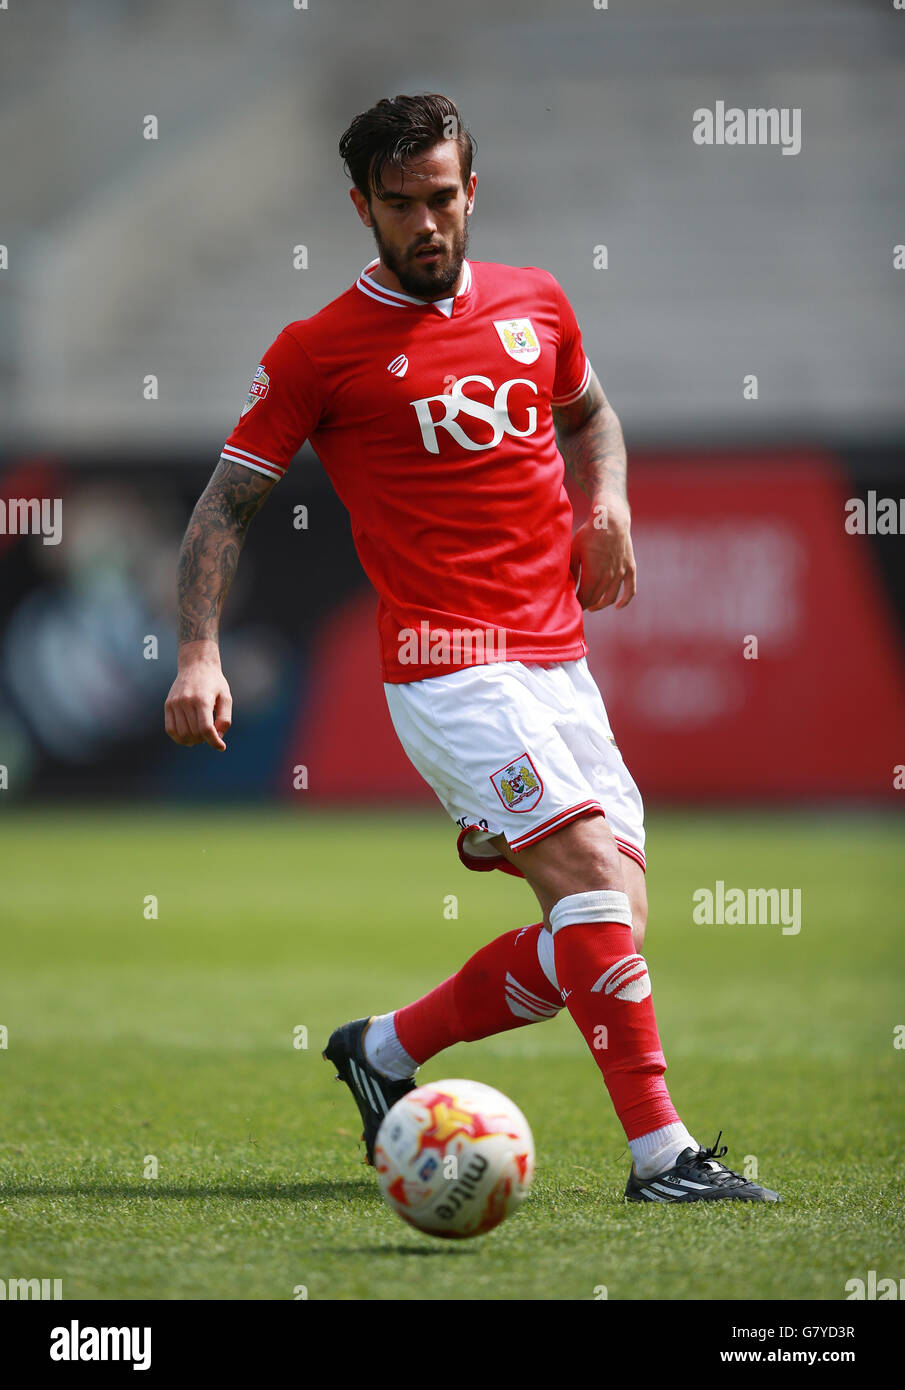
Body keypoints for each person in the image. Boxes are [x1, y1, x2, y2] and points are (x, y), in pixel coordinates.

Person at [165, 93, 779, 1204]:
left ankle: (384, 1049)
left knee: (607, 931)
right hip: (449, 670)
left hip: (557, 660)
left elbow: (587, 414)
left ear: (470, 191)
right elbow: (224, 504)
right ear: (361, 208)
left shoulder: (534, 301)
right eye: (398, 205)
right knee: (591, 885)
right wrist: (199, 650)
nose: (425, 223)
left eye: (441, 198)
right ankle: (663, 1158)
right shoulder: (317, 351)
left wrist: (608, 505)